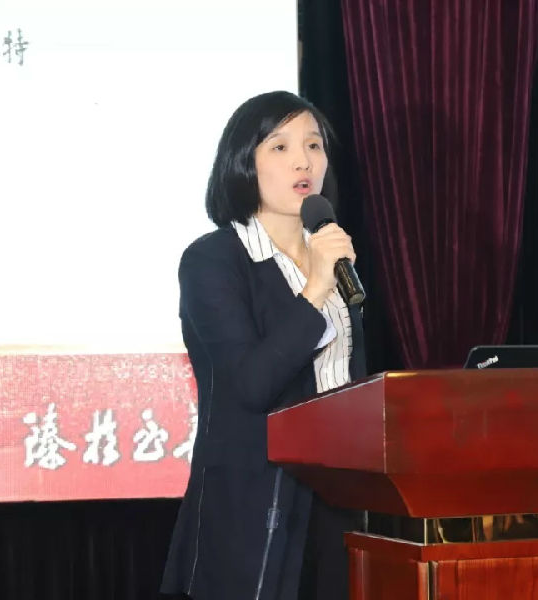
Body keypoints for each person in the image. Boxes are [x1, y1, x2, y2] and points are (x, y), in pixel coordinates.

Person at [160, 91, 366, 600]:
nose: (303, 161)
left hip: (338, 503)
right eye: (280, 147)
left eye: (314, 145)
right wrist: (315, 289)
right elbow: (252, 384)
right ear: (243, 163)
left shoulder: (334, 257)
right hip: (255, 510)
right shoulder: (213, 261)